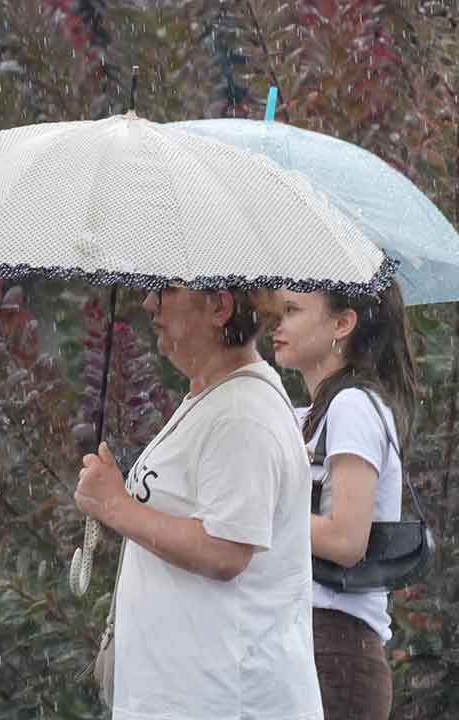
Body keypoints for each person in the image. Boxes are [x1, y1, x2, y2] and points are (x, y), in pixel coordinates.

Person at [75, 285, 323, 720]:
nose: (149, 304)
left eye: (166, 291)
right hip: (187, 696)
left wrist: (115, 506)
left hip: (224, 700)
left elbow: (225, 551)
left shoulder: (243, 414)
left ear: (219, 306)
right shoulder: (214, 397)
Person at [270, 282, 419, 720]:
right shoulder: (308, 415)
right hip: (305, 641)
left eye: (292, 310)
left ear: (342, 323)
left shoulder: (353, 405)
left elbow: (346, 539)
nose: (276, 324)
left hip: (334, 647)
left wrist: (258, 514)